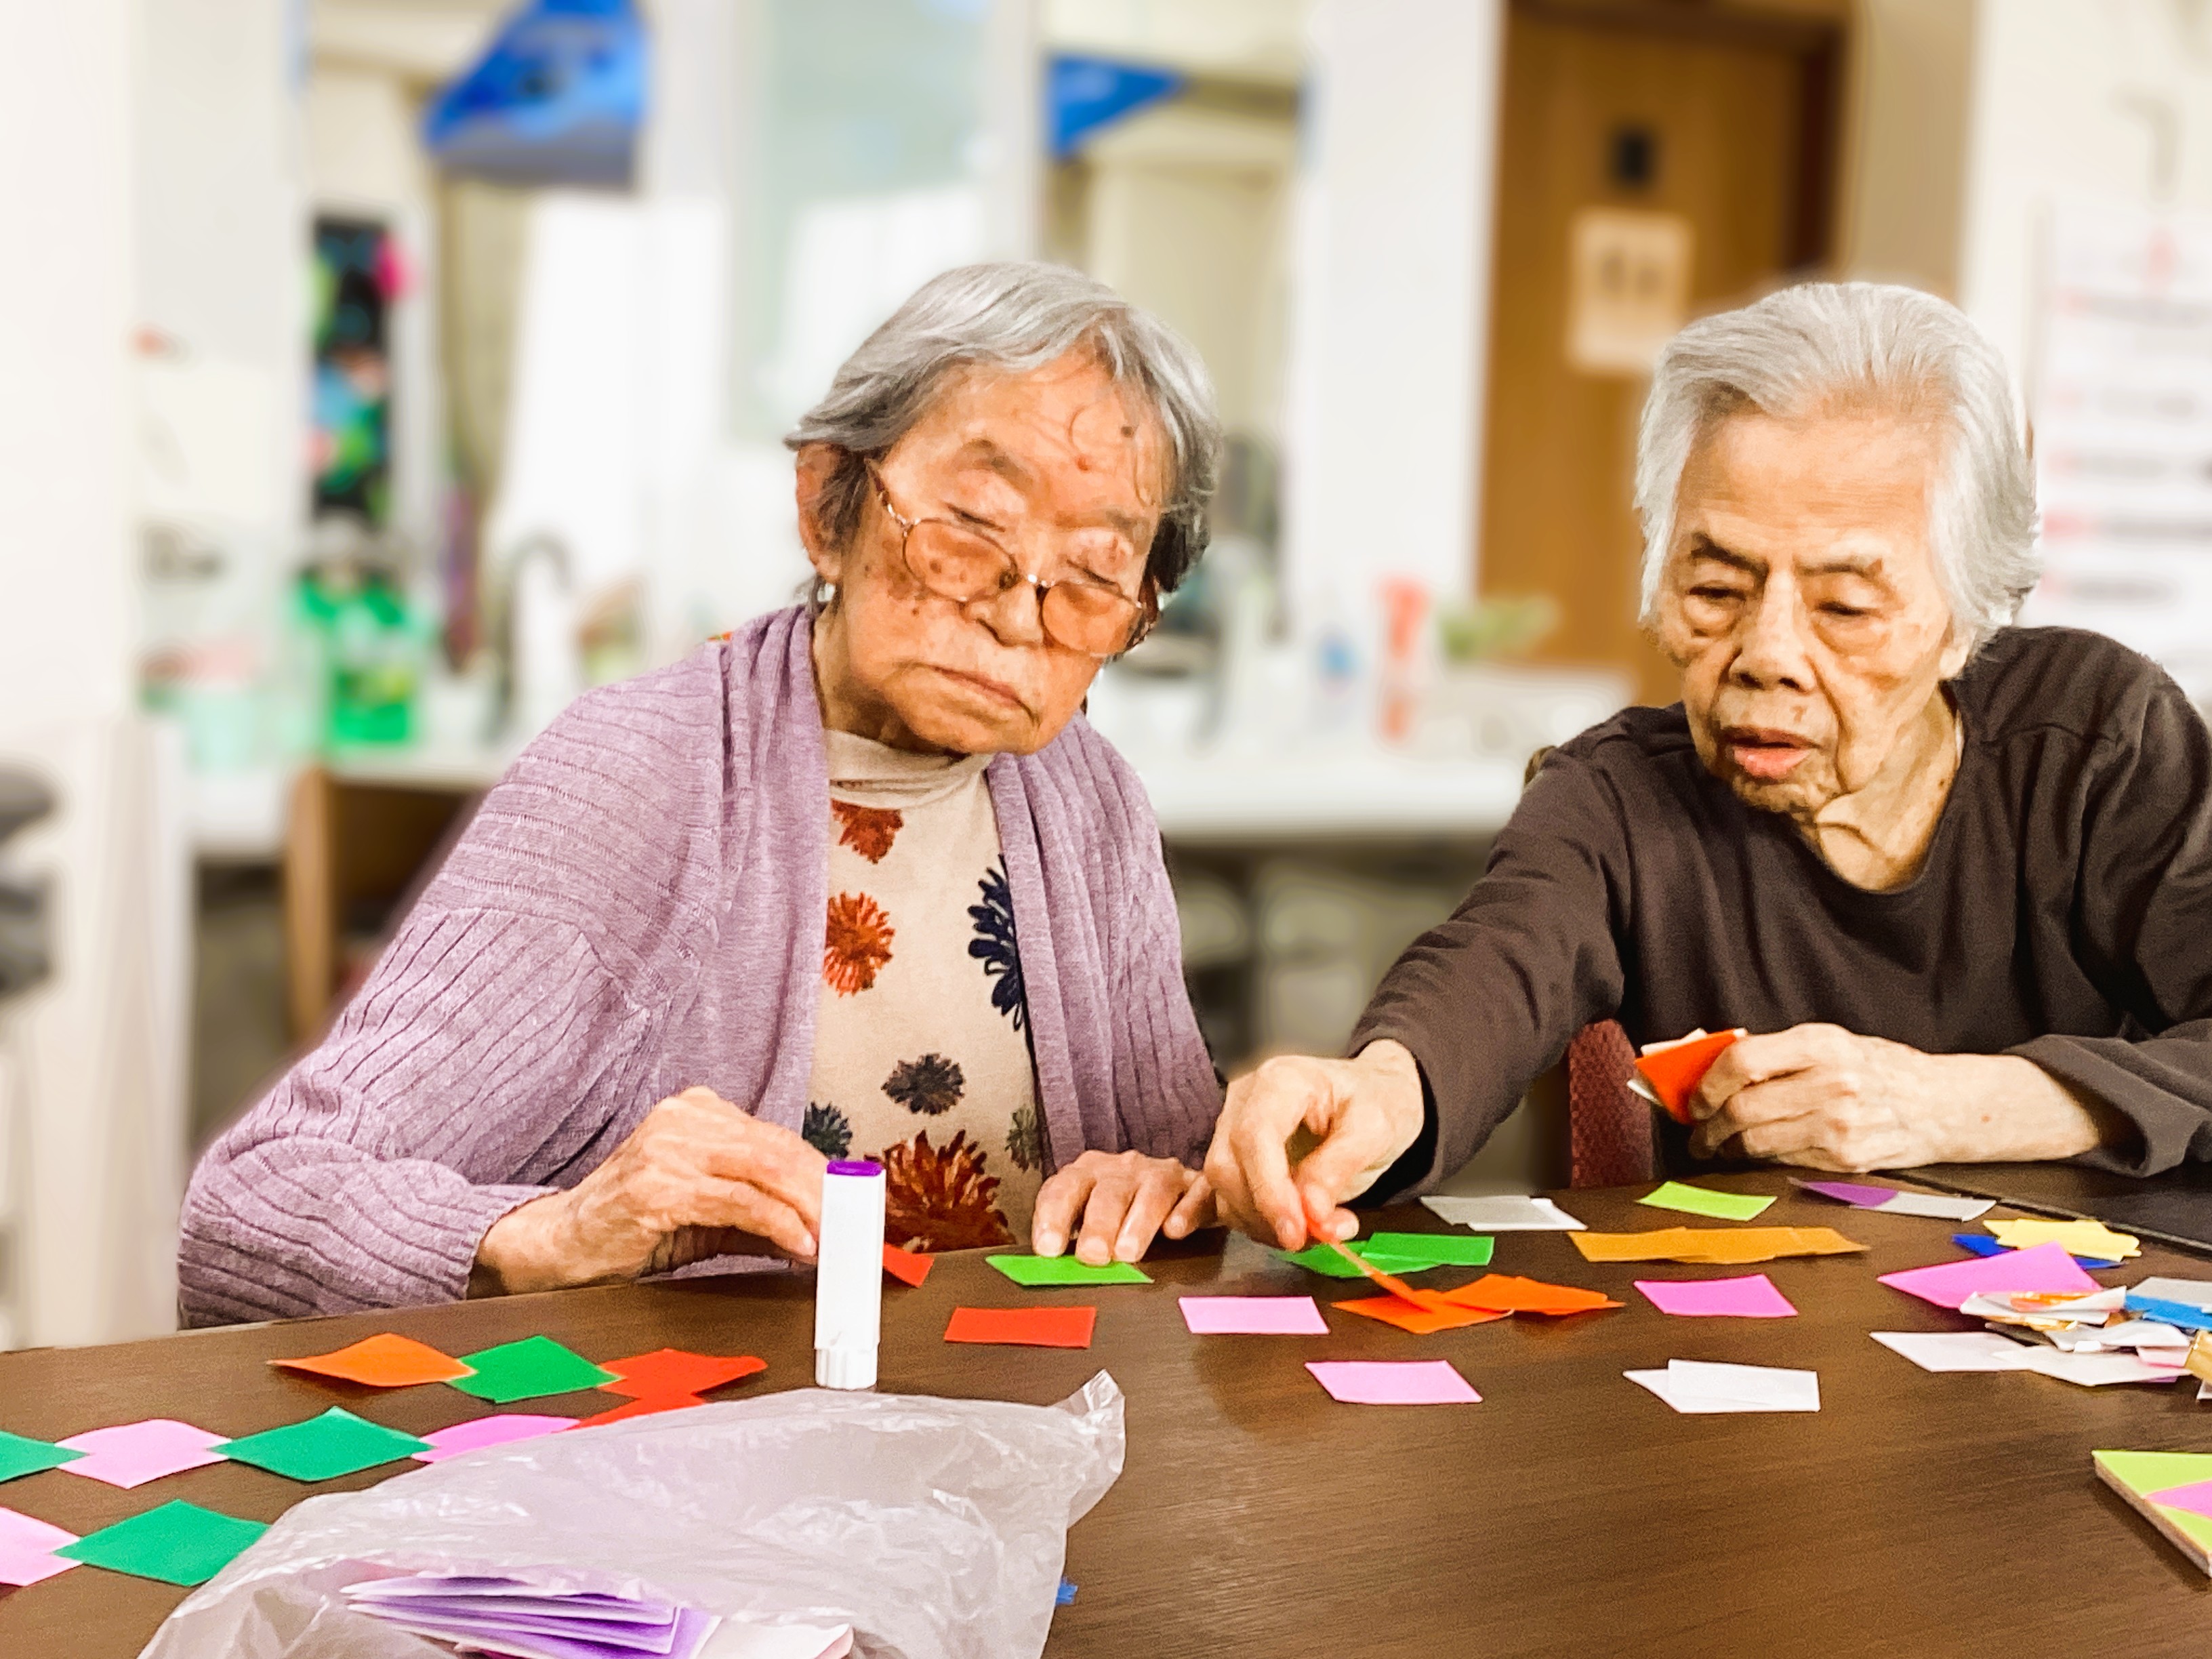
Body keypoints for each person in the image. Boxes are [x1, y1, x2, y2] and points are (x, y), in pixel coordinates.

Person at [181, 263, 1226, 1323]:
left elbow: (1186, 1185)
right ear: (831, 508)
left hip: (1014, 1439)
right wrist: (553, 1233)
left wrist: (1170, 1192)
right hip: (695, 1453)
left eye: (1093, 576)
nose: (1018, 613)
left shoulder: (1092, 804)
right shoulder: (641, 776)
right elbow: (248, 1209)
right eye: (971, 528)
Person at [1205, 281, 2212, 1253]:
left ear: (1967, 623)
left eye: (1845, 608)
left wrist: (1951, 1106)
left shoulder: (2097, 746)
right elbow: (1496, 962)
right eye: (1718, 586)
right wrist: (1383, 1087)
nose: (1767, 653)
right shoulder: (1618, 800)